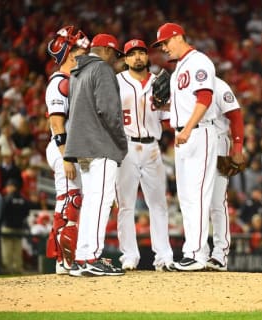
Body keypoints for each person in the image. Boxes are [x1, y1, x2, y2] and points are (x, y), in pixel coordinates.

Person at [151, 23, 218, 271]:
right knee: (187, 198)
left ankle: (196, 254)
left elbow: (205, 98)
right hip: (185, 134)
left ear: (178, 37)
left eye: (166, 43)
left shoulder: (200, 61)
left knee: (198, 195)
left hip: (199, 133)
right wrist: (165, 109)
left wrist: (188, 127)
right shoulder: (180, 67)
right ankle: (195, 250)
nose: (164, 49)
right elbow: (188, 104)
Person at [64, 33, 128, 277]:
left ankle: (82, 257)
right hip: (100, 146)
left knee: (92, 200)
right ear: (106, 50)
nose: (115, 59)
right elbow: (109, 112)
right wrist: (121, 143)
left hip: (82, 147)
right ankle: (91, 256)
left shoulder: (77, 72)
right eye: (114, 53)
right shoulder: (101, 69)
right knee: (100, 201)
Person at [115, 39, 175, 272]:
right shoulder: (117, 82)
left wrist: (167, 105)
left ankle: (164, 257)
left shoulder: (159, 82)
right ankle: (129, 256)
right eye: (132, 53)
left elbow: (169, 117)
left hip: (152, 147)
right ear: (126, 58)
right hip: (126, 147)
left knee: (158, 204)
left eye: (141, 52)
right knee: (126, 205)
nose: (137, 57)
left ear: (147, 57)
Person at [44, 25, 89, 275]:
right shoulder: (59, 83)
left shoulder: (74, 80)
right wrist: (66, 157)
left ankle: (66, 259)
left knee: (73, 202)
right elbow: (56, 123)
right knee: (69, 201)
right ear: (69, 53)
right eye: (79, 49)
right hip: (63, 148)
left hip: (74, 148)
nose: (83, 52)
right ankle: (63, 260)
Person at [205, 76, 245, 271]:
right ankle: (198, 252)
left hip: (218, 141)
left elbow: (235, 115)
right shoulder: (183, 84)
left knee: (216, 202)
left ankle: (220, 254)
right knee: (195, 202)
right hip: (193, 143)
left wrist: (237, 148)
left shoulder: (219, 85)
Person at [0, 178, 31, 274]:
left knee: (7, 251)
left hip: (7, 228)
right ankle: (18, 269)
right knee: (17, 250)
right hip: (19, 228)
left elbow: (2, 212)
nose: (7, 188)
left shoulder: (7, 198)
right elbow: (27, 213)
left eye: (8, 186)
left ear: (13, 187)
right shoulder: (23, 199)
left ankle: (7, 270)